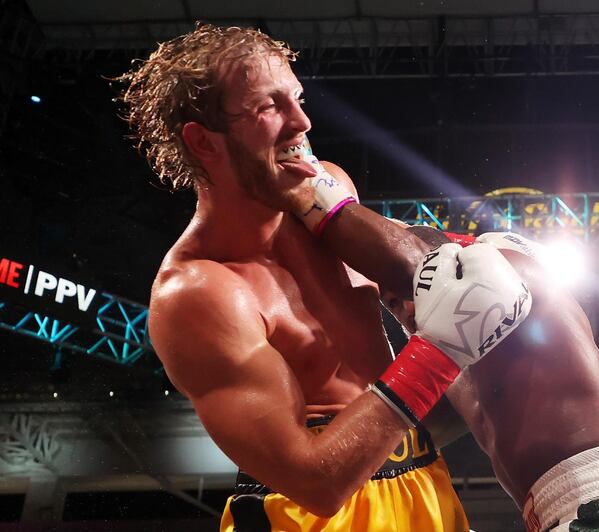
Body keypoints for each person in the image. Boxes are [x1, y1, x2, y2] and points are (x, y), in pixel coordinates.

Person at [116, 23, 533, 532]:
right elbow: (315, 483)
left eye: (296, 97)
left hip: (421, 478)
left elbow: (406, 353)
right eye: (268, 108)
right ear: (204, 142)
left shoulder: (326, 192)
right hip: (309, 515)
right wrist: (442, 351)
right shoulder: (199, 293)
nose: (302, 121)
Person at [286, 142, 599, 531]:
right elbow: (404, 439)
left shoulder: (508, 270)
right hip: (564, 515)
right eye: (392, 306)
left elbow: (413, 258)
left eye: (406, 292)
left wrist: (304, 182)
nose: (408, 311)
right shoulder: (458, 352)